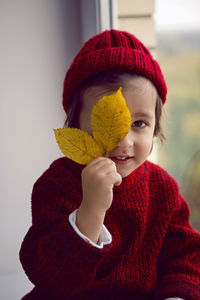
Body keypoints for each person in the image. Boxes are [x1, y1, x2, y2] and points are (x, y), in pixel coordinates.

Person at [19, 29, 200, 300]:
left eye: (139, 123)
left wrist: (177, 294)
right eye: (104, 124)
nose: (123, 141)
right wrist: (90, 209)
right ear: (76, 124)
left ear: (155, 128)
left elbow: (185, 256)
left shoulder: (163, 189)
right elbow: (50, 277)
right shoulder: (57, 184)